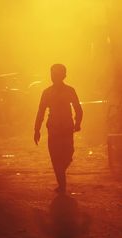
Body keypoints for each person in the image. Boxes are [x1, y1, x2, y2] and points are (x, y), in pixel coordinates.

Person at [34, 64, 83, 193]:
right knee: (56, 158)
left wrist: (78, 123)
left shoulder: (70, 91)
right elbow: (41, 112)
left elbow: (78, 109)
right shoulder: (47, 92)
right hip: (54, 129)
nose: (53, 77)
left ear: (63, 76)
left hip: (66, 128)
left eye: (55, 74)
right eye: (52, 74)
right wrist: (36, 130)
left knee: (68, 154)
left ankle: (61, 176)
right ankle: (62, 185)